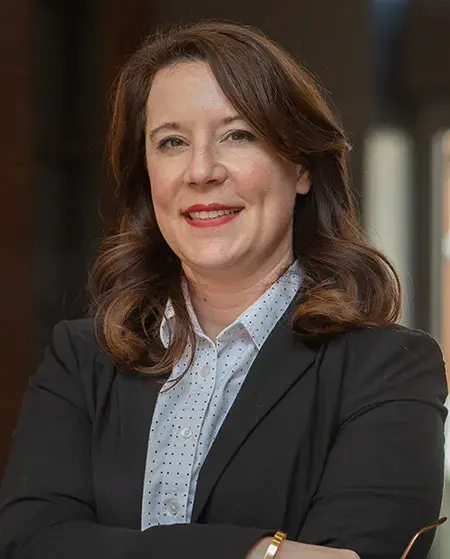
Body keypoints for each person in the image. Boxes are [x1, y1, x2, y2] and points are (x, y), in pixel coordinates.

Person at [0, 20, 447, 559]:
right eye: (171, 142)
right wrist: (258, 551)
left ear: (301, 166)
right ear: (147, 174)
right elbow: (29, 543)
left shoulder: (390, 368)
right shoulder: (80, 360)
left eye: (238, 135)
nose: (201, 171)